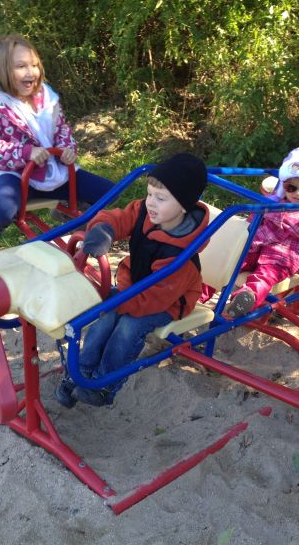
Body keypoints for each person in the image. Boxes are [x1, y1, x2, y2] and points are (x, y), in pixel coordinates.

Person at [55, 153, 210, 408]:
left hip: (168, 302)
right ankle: (80, 371)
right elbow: (117, 217)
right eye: (149, 194)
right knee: (105, 321)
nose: (151, 202)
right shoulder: (145, 212)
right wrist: (104, 230)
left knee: (128, 327)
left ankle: (105, 385)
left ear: (184, 205)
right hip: (136, 287)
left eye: (160, 198)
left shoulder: (181, 254)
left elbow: (155, 298)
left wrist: (116, 303)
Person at [0, 34, 114, 238]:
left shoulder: (46, 98)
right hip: (15, 175)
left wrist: (66, 149)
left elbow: (61, 129)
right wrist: (25, 152)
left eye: (34, 65)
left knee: (109, 192)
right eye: (21, 66)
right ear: (1, 70)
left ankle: (70, 213)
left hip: (54, 171)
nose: (31, 72)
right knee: (3, 209)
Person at [222, 146, 299, 318]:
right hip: (257, 246)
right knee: (231, 260)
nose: (298, 194)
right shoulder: (274, 203)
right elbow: (252, 223)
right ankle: (200, 291)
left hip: (283, 257)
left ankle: (247, 297)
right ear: (283, 185)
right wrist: (263, 208)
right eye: (291, 188)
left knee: (265, 276)